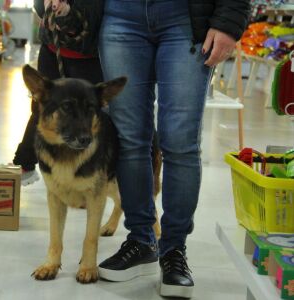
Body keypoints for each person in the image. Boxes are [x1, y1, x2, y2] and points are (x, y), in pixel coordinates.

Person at [97, 0, 250, 298]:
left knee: (180, 142)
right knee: (129, 139)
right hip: (119, 15)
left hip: (186, 16)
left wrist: (229, 21)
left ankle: (173, 251)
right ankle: (141, 241)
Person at [12, 0, 104, 185]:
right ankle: (25, 162)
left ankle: (86, 173)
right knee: (42, 108)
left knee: (87, 116)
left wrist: (67, 15)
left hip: (89, 55)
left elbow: (94, 16)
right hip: (53, 49)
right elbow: (39, 7)